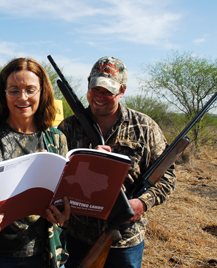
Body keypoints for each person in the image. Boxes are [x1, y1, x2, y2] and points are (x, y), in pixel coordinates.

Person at [58, 56, 176, 268]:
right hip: (77, 237)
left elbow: (167, 176)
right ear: (88, 84)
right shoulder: (68, 127)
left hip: (126, 239)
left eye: (108, 91)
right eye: (95, 88)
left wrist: (142, 203)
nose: (99, 96)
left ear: (122, 91)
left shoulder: (144, 127)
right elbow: (55, 176)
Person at [0, 58, 71, 268]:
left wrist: (64, 213)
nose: (23, 97)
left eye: (30, 90)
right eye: (14, 90)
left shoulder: (57, 139)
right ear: (4, 93)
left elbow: (63, 195)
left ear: (42, 92)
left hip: (46, 253)